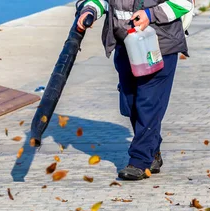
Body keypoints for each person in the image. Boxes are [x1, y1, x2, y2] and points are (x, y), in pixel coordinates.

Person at [77, 0, 193, 181]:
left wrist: (150, 15)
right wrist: (89, 10)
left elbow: (184, 3)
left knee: (147, 102)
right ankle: (152, 150)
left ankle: (139, 160)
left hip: (159, 45)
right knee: (130, 101)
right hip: (126, 44)